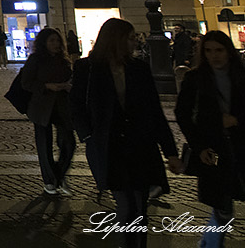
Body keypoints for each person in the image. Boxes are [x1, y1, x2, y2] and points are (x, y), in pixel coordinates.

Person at [71, 18, 182, 247]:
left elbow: (155, 112)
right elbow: (76, 106)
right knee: (125, 204)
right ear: (116, 39)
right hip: (109, 147)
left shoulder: (139, 69)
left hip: (140, 146)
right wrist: (89, 136)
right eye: (130, 38)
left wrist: (170, 152)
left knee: (139, 207)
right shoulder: (87, 68)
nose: (134, 43)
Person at [175, 29, 245, 248]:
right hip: (213, 149)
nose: (214, 55)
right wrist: (199, 146)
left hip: (242, 145)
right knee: (222, 205)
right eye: (208, 50)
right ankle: (210, 244)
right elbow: (183, 115)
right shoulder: (195, 79)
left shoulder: (241, 75)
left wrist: (236, 120)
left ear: (228, 51)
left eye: (219, 50)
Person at [21, 28, 75, 196]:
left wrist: (68, 86)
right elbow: (26, 83)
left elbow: (71, 77)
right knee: (44, 145)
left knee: (69, 143)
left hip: (62, 105)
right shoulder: (35, 59)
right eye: (51, 41)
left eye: (57, 40)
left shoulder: (64, 60)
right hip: (42, 106)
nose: (55, 44)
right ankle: (49, 181)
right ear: (44, 42)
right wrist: (46, 86)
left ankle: (58, 174)